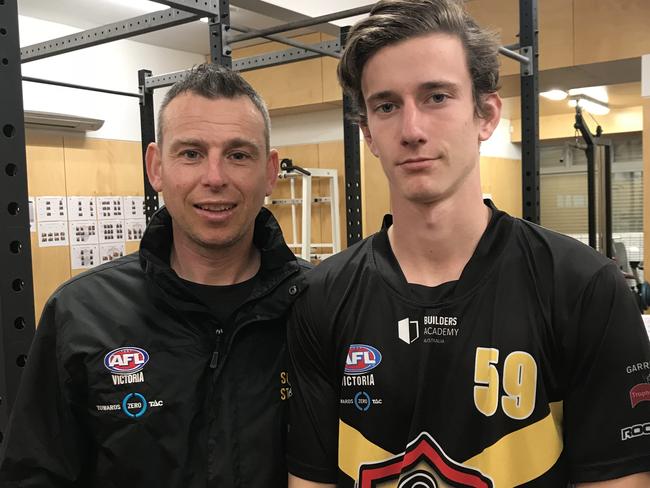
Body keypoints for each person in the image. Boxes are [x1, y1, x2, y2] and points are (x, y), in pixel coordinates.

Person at [286, 1, 650, 487]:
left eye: (436, 97)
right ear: (368, 133)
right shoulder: (321, 296)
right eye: (387, 105)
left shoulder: (584, 288)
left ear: (486, 115)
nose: (412, 130)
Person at [0, 63, 309, 487]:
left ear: (270, 171)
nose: (214, 178)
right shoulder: (81, 313)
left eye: (238, 155)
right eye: (191, 153)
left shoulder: (318, 304)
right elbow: (35, 474)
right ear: (156, 167)